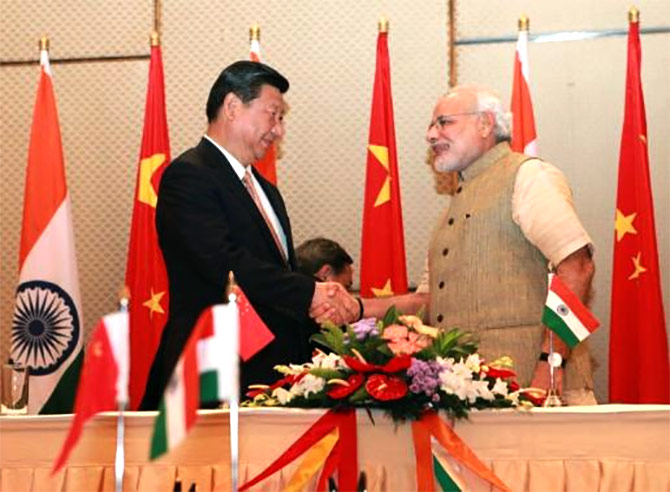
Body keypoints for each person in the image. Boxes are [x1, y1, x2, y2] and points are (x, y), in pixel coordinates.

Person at [140, 61, 359, 409]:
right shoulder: (188, 176)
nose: (279, 130)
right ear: (231, 107)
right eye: (273, 114)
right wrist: (310, 292)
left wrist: (327, 301)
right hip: (215, 374)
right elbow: (224, 266)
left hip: (270, 377)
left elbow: (277, 275)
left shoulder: (267, 192)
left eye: (281, 118)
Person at [358, 86, 596, 405]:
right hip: (468, 399)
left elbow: (577, 268)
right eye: (431, 125)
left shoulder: (527, 176)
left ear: (485, 124)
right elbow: (428, 301)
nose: (430, 135)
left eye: (443, 122)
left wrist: (550, 364)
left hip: (536, 394)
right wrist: (357, 308)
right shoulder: (451, 210)